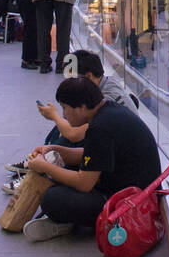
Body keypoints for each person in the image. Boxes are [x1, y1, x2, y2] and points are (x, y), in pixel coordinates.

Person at [23, 78, 161, 241]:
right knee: (64, 174)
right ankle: (68, 220)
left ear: (81, 107)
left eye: (65, 108)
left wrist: (45, 166)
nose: (64, 114)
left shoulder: (100, 127)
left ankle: (67, 222)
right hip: (136, 192)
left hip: (130, 204)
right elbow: (93, 155)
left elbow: (84, 183)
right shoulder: (108, 112)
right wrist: (56, 150)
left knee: (52, 198)